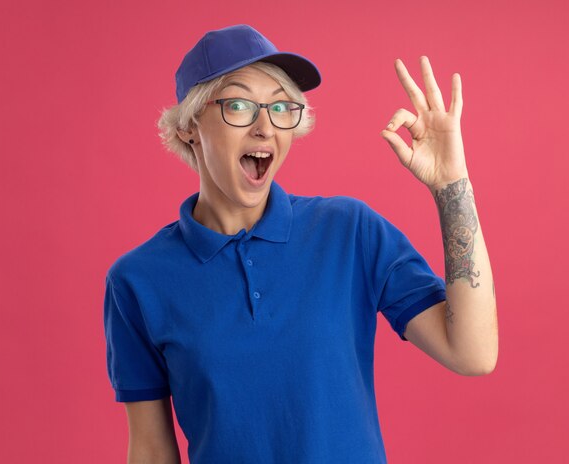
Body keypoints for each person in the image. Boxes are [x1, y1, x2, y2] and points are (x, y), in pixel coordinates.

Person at [103, 24, 498, 464]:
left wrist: (452, 187)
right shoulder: (138, 281)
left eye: (280, 107)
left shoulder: (350, 231)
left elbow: (473, 353)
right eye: (238, 105)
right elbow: (152, 449)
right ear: (190, 126)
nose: (264, 127)